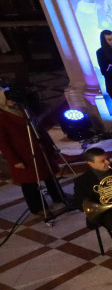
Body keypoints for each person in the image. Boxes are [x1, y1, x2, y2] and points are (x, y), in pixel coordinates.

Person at [0, 89, 67, 217]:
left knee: (49, 175)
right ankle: (37, 207)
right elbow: (3, 142)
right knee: (29, 182)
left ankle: (59, 197)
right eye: (9, 100)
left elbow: (39, 127)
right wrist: (15, 160)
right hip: (23, 153)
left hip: (39, 148)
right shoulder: (2, 116)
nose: (13, 102)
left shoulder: (23, 109)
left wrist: (50, 145)